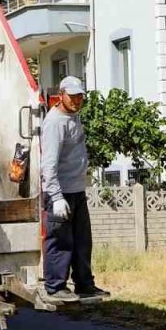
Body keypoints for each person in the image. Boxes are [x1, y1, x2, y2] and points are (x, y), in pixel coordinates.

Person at [41, 76, 109, 301]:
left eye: (80, 96)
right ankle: (55, 286)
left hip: (76, 190)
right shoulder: (55, 122)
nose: (77, 100)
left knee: (82, 241)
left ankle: (84, 284)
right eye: (72, 96)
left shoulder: (73, 117)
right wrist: (56, 196)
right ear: (61, 95)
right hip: (60, 193)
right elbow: (48, 164)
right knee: (60, 241)